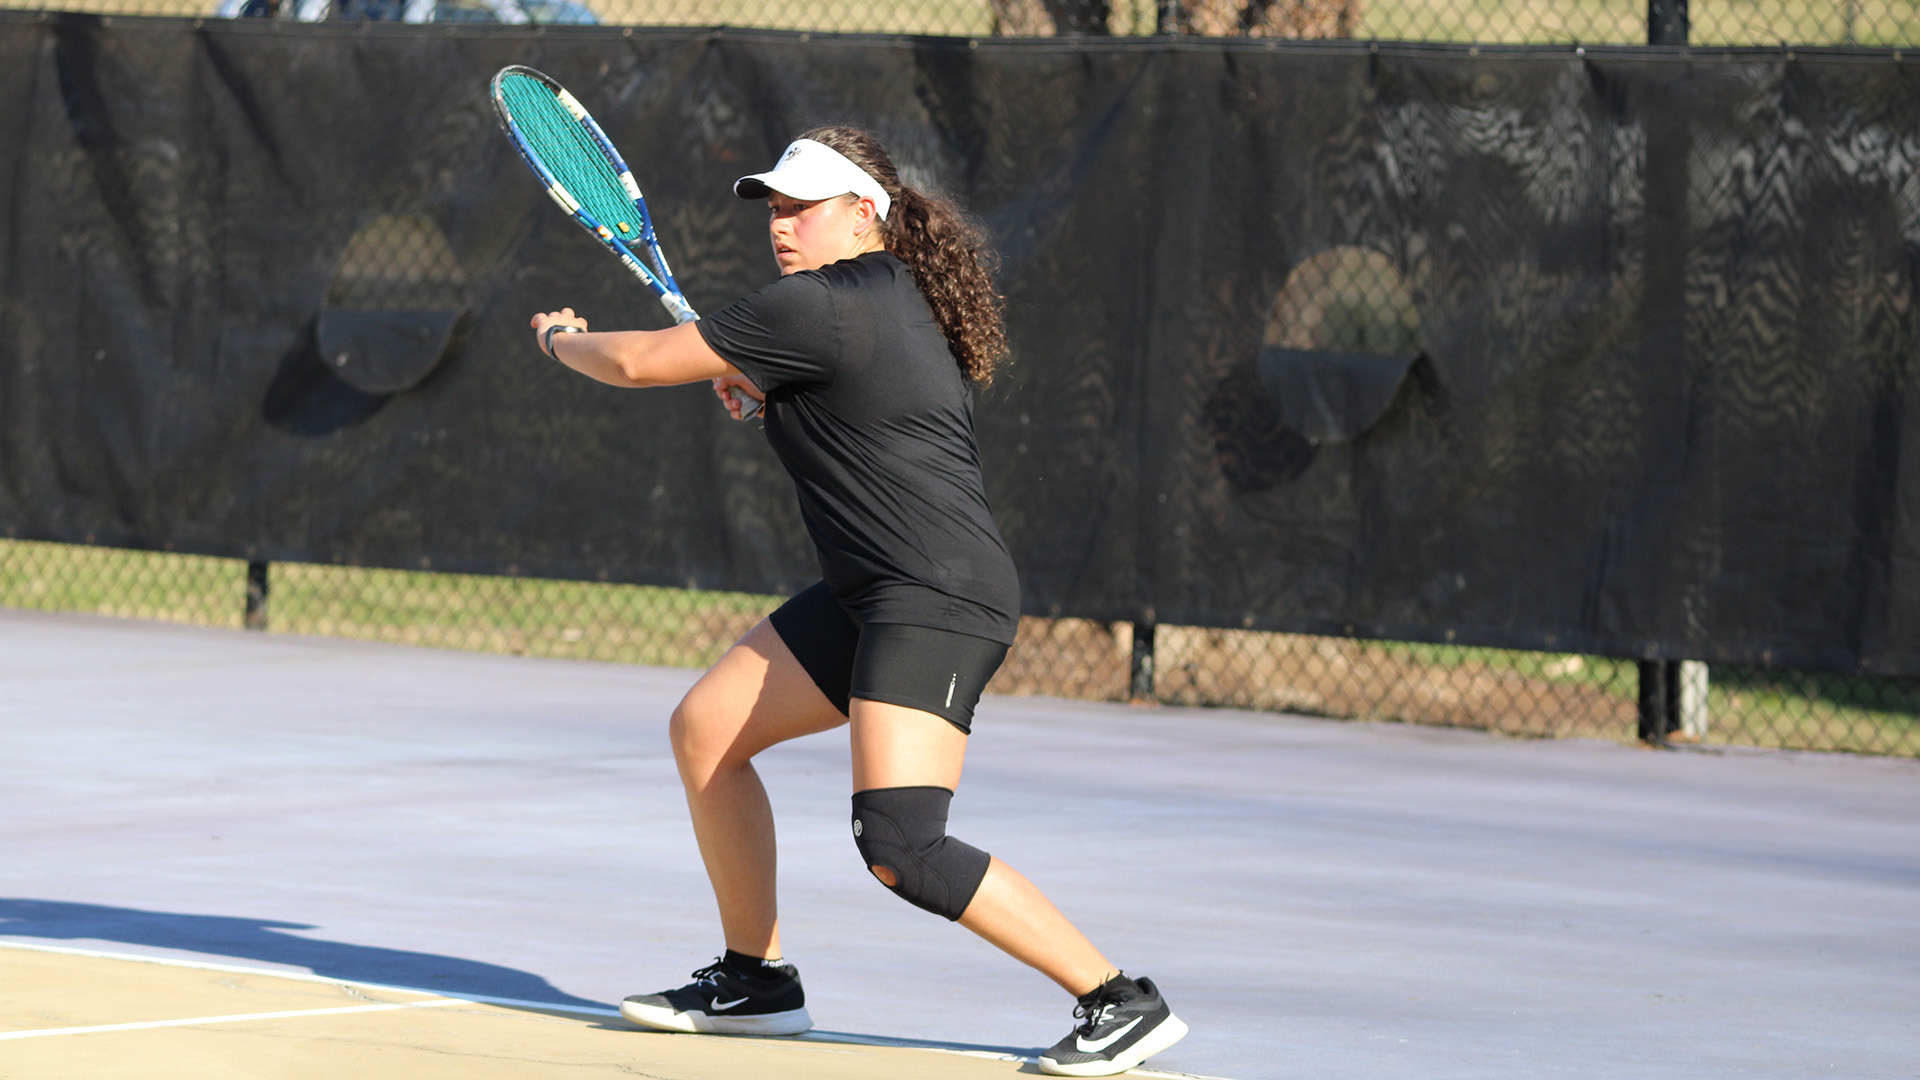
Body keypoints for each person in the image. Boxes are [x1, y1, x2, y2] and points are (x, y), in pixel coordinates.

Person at [528, 126, 1186, 1077]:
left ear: (864, 213)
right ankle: (755, 982)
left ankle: (1119, 1000)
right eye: (773, 208)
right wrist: (770, 391)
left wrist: (562, 340)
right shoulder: (883, 298)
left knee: (902, 845)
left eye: (803, 207)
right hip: (874, 586)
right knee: (708, 731)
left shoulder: (821, 306)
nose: (781, 225)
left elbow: (636, 365)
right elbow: (859, 405)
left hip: (933, 595)